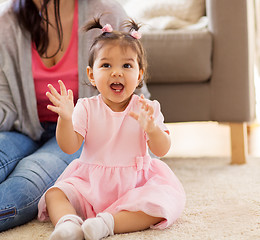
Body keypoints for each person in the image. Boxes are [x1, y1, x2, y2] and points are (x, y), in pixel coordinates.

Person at [0, 0, 150, 232]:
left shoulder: (107, 13)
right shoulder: (8, 22)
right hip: (21, 128)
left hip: (79, 132)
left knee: (32, 173)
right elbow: (5, 106)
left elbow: (138, 95)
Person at [38, 17, 186, 240]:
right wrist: (66, 119)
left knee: (162, 202)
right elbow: (69, 147)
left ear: (139, 76)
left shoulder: (147, 108)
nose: (116, 72)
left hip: (135, 185)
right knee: (55, 194)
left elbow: (163, 149)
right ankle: (68, 225)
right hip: (90, 185)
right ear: (91, 75)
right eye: (106, 65)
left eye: (127, 65)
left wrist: (152, 129)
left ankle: (106, 224)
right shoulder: (86, 108)